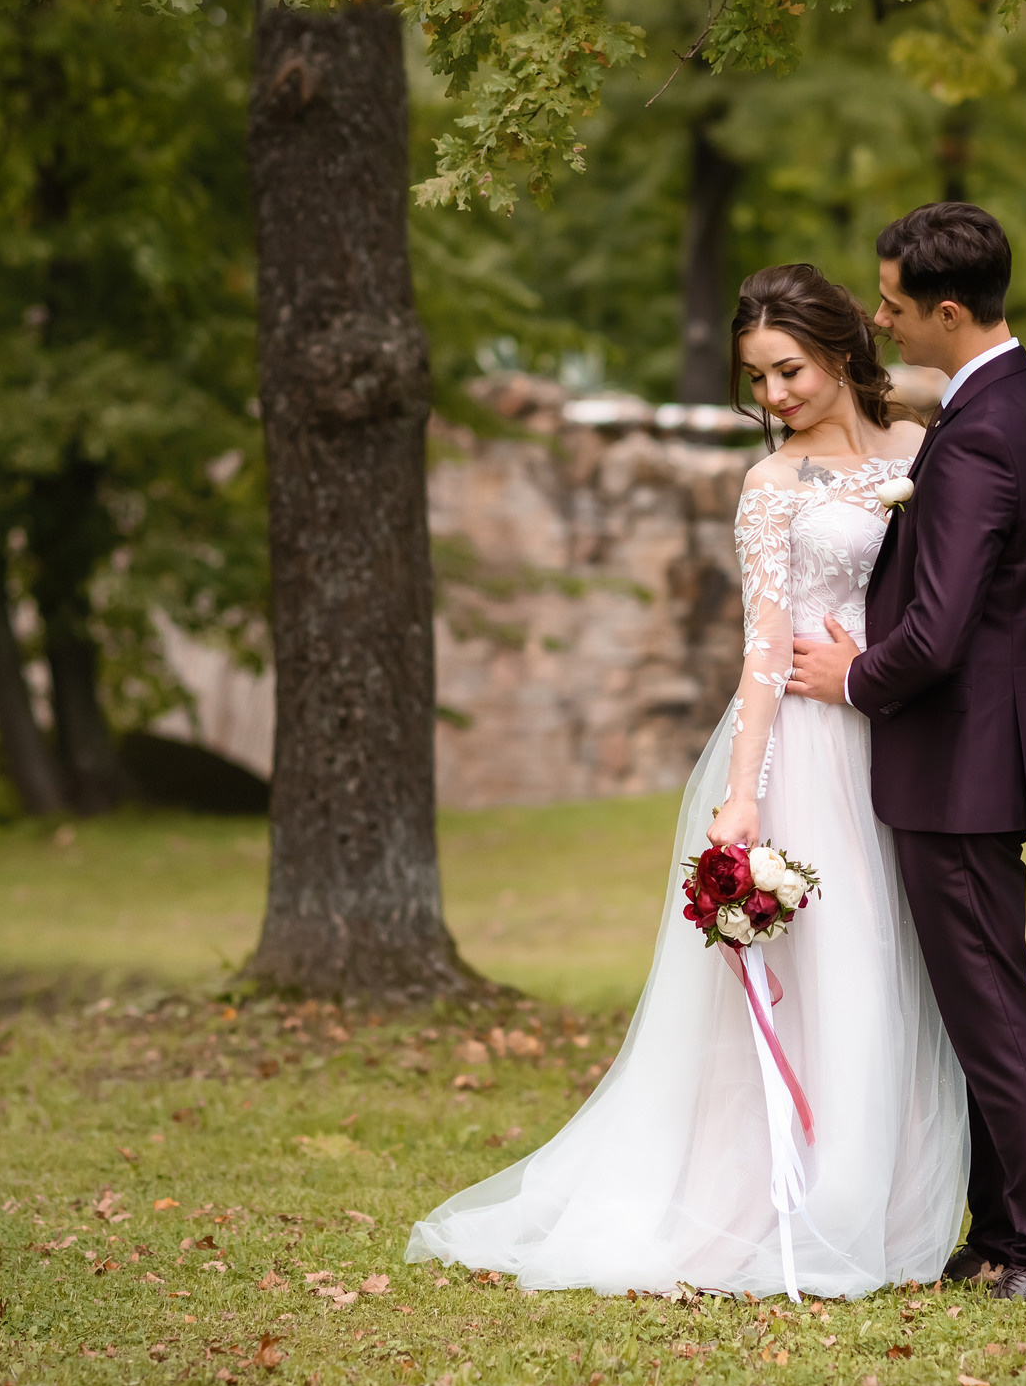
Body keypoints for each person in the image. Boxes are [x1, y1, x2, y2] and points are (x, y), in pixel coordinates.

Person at [406, 261, 970, 1298]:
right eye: (758, 380)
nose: (777, 397)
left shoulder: (924, 452)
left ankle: (880, 1198)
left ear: (841, 347)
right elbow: (762, 650)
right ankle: (789, 1200)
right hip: (806, 744)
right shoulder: (770, 485)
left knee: (889, 966)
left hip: (893, 739)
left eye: (788, 369)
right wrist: (743, 792)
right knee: (821, 969)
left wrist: (874, 654)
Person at [786, 201, 1026, 1301]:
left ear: (950, 311)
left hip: (962, 762)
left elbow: (941, 626)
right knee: (978, 994)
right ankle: (1003, 1226)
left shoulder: (979, 437)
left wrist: (849, 678)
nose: (881, 320)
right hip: (995, 751)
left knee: (989, 1001)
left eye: (894, 305)